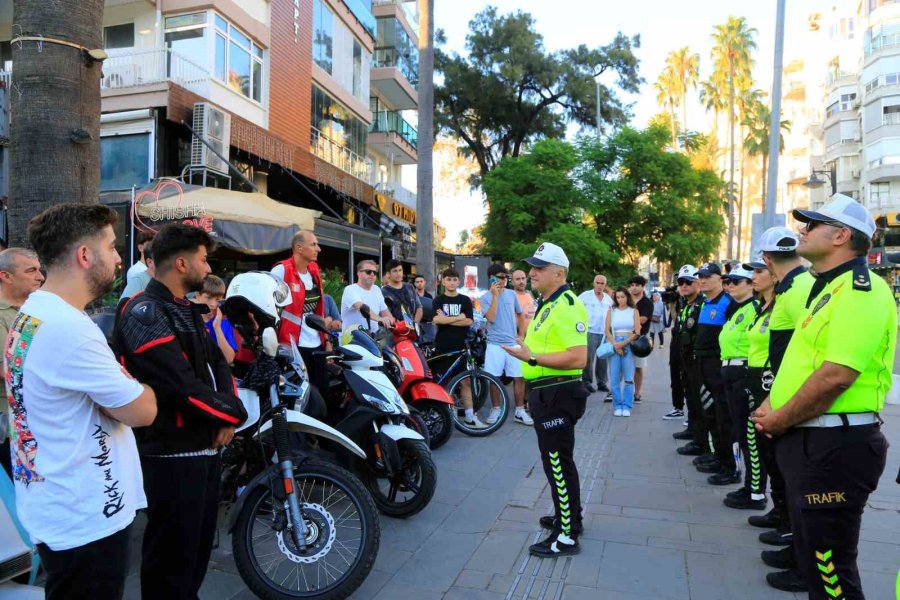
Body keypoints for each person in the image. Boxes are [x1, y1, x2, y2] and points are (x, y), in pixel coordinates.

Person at [6, 204, 156, 600]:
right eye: (111, 245)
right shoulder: (70, 328)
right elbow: (143, 410)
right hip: (85, 517)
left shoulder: (32, 313)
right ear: (85, 255)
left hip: (58, 504)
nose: (120, 257)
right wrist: (138, 390)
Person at [753, 195, 895, 599]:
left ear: (841, 235)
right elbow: (805, 362)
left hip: (836, 447)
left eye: (812, 224)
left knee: (830, 571)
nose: (803, 230)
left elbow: (836, 376)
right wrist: (772, 403)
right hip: (813, 440)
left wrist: (780, 418)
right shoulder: (827, 288)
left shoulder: (862, 290)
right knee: (815, 562)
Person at [116, 223, 247, 600]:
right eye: (204, 260)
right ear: (180, 263)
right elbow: (181, 386)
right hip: (170, 454)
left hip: (203, 448)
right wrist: (230, 416)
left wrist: (227, 415)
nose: (208, 269)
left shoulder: (186, 308)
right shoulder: (143, 312)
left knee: (196, 551)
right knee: (170, 557)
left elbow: (218, 364)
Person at [502, 242, 588, 557]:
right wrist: (526, 346)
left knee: (558, 462)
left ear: (559, 273)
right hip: (546, 393)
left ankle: (567, 534)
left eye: (539, 268)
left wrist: (533, 356)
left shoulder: (567, 304)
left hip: (558, 393)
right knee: (554, 462)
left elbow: (578, 357)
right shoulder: (548, 303)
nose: (532, 272)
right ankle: (567, 515)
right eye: (533, 267)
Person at [748, 227, 816, 590]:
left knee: (796, 483)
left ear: (767, 259)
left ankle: (800, 556)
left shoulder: (797, 288)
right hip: (783, 395)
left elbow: (799, 352)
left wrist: (778, 401)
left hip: (792, 401)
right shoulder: (795, 287)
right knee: (786, 475)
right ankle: (793, 545)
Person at [724, 252, 776, 511]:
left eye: (758, 272)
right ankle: (751, 488)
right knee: (744, 436)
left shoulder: (763, 308)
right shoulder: (754, 309)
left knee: (752, 439)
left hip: (756, 381)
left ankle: (756, 492)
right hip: (742, 378)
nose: (753, 277)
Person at [0, 248, 44, 478]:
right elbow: (6, 368)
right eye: (31, 271)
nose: (40, 277)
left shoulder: (36, 310)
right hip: (11, 426)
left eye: (39, 269)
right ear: (5, 276)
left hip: (37, 421)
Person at [713, 266, 757, 486]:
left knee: (745, 433)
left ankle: (752, 487)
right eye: (728, 281)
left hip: (743, 371)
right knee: (732, 427)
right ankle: (734, 471)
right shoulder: (737, 309)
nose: (730, 285)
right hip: (729, 370)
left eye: (736, 282)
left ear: (751, 284)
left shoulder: (755, 308)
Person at [480, 263, 531, 425]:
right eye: (501, 277)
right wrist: (495, 296)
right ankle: (496, 409)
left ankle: (520, 410)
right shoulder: (485, 298)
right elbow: (491, 318)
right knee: (494, 378)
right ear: (491, 278)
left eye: (505, 277)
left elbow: (520, 314)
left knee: (519, 377)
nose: (504, 281)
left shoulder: (511, 294)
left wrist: (521, 335)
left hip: (512, 343)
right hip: (495, 344)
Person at [431, 269, 478, 427]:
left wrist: (447, 319)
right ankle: (446, 417)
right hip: (443, 347)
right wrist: (458, 317)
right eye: (448, 279)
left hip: (461, 346)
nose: (451, 282)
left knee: (465, 382)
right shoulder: (438, 299)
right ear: (443, 281)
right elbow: (437, 319)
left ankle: (470, 416)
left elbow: (469, 321)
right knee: (443, 382)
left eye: (454, 279)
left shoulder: (465, 300)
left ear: (459, 282)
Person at [271, 230, 327, 353]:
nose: (318, 249)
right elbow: (269, 307)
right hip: (291, 343)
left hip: (316, 341)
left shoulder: (314, 270)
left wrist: (326, 340)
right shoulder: (281, 270)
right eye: (313, 245)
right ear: (299, 248)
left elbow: (319, 309)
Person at [673, 266, 707, 452]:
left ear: (698, 284)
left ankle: (700, 440)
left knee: (699, 399)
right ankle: (692, 429)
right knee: (690, 396)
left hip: (697, 360)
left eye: (688, 282)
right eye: (681, 282)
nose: (684, 286)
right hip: (685, 359)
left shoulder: (703, 304)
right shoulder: (686, 305)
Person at [604, 287, 640, 417]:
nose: (620, 300)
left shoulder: (633, 311)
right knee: (614, 378)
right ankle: (617, 404)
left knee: (629, 378)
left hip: (628, 344)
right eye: (617, 297)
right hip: (614, 343)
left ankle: (627, 405)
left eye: (622, 297)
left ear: (627, 297)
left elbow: (637, 332)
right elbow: (607, 330)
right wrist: (615, 345)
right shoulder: (611, 310)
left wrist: (622, 344)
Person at [578, 274, 613, 396]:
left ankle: (602, 382)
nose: (599, 285)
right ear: (594, 283)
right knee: (588, 358)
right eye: (597, 283)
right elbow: (576, 310)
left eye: (602, 283)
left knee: (603, 358)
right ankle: (587, 382)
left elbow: (612, 314)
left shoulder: (608, 299)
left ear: (605, 285)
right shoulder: (585, 296)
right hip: (589, 331)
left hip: (604, 333)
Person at [190, 274, 237, 364]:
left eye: (217, 300)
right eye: (208, 298)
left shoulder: (224, 323)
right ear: (198, 296)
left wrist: (217, 327)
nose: (212, 304)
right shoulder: (189, 318)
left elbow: (229, 359)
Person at [341, 260, 395, 333]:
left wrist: (394, 324)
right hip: (353, 339)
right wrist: (380, 319)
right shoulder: (350, 289)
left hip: (374, 338)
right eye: (368, 272)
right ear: (359, 273)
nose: (372, 274)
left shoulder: (376, 289)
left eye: (375, 272)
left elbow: (385, 312)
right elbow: (361, 307)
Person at [627, 276, 653, 403]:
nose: (634, 287)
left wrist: (625, 318)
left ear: (642, 287)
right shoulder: (625, 301)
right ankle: (615, 391)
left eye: (637, 285)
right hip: (624, 338)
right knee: (620, 366)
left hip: (640, 340)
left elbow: (643, 319)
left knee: (638, 367)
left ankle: (637, 393)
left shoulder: (647, 302)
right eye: (631, 285)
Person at [381, 259, 422, 324]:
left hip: (413, 330)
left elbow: (419, 307)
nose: (398, 273)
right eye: (395, 271)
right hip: (394, 330)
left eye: (400, 270)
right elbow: (385, 313)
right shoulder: (383, 291)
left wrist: (415, 325)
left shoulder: (409, 287)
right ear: (388, 274)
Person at [120, 230, 154, 299]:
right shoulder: (136, 270)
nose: (154, 248)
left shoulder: (152, 268)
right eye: (150, 245)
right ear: (140, 248)